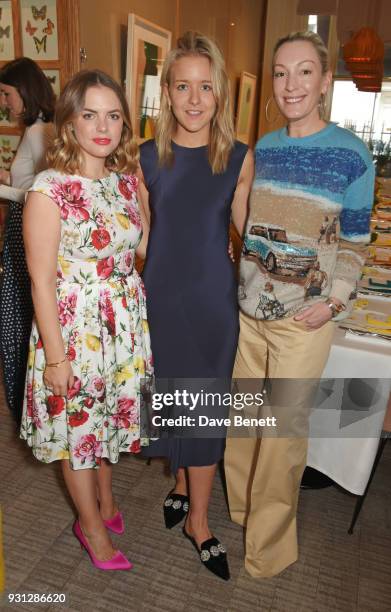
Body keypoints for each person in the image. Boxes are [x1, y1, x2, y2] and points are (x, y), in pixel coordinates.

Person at [225, 30, 374, 578]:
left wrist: (334, 302)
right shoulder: (265, 147)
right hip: (251, 313)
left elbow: (357, 242)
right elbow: (256, 229)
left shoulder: (352, 154)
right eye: (282, 73)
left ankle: (267, 552)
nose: (291, 84)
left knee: (282, 439)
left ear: (325, 81)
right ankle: (242, 513)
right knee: (242, 428)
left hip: (302, 321)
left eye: (304, 72)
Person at [20, 69, 153, 571]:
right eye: (90, 114)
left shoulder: (121, 181)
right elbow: (41, 284)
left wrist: (142, 201)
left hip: (120, 325)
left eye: (113, 115)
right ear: (69, 122)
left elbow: (138, 251)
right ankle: (91, 528)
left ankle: (108, 501)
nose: (103, 126)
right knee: (79, 433)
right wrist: (56, 358)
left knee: (105, 423)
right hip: (75, 330)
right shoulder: (48, 191)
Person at [138, 31, 253, 580]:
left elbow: (252, 238)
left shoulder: (238, 158)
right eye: (182, 86)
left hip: (212, 305)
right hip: (162, 301)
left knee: (205, 409)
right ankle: (182, 484)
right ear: (167, 91)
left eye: (205, 86)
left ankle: (199, 522)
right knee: (173, 399)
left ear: (219, 93)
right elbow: (138, 241)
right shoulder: (144, 158)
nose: (193, 98)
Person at [0, 58, 55, 425]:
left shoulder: (39, 133)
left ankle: (26, 407)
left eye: (6, 94)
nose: (4, 102)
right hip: (21, 231)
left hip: (25, 233)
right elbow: (27, 183)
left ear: (24, 91)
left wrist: (2, 187)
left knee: (17, 319)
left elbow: (41, 198)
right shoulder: (38, 129)